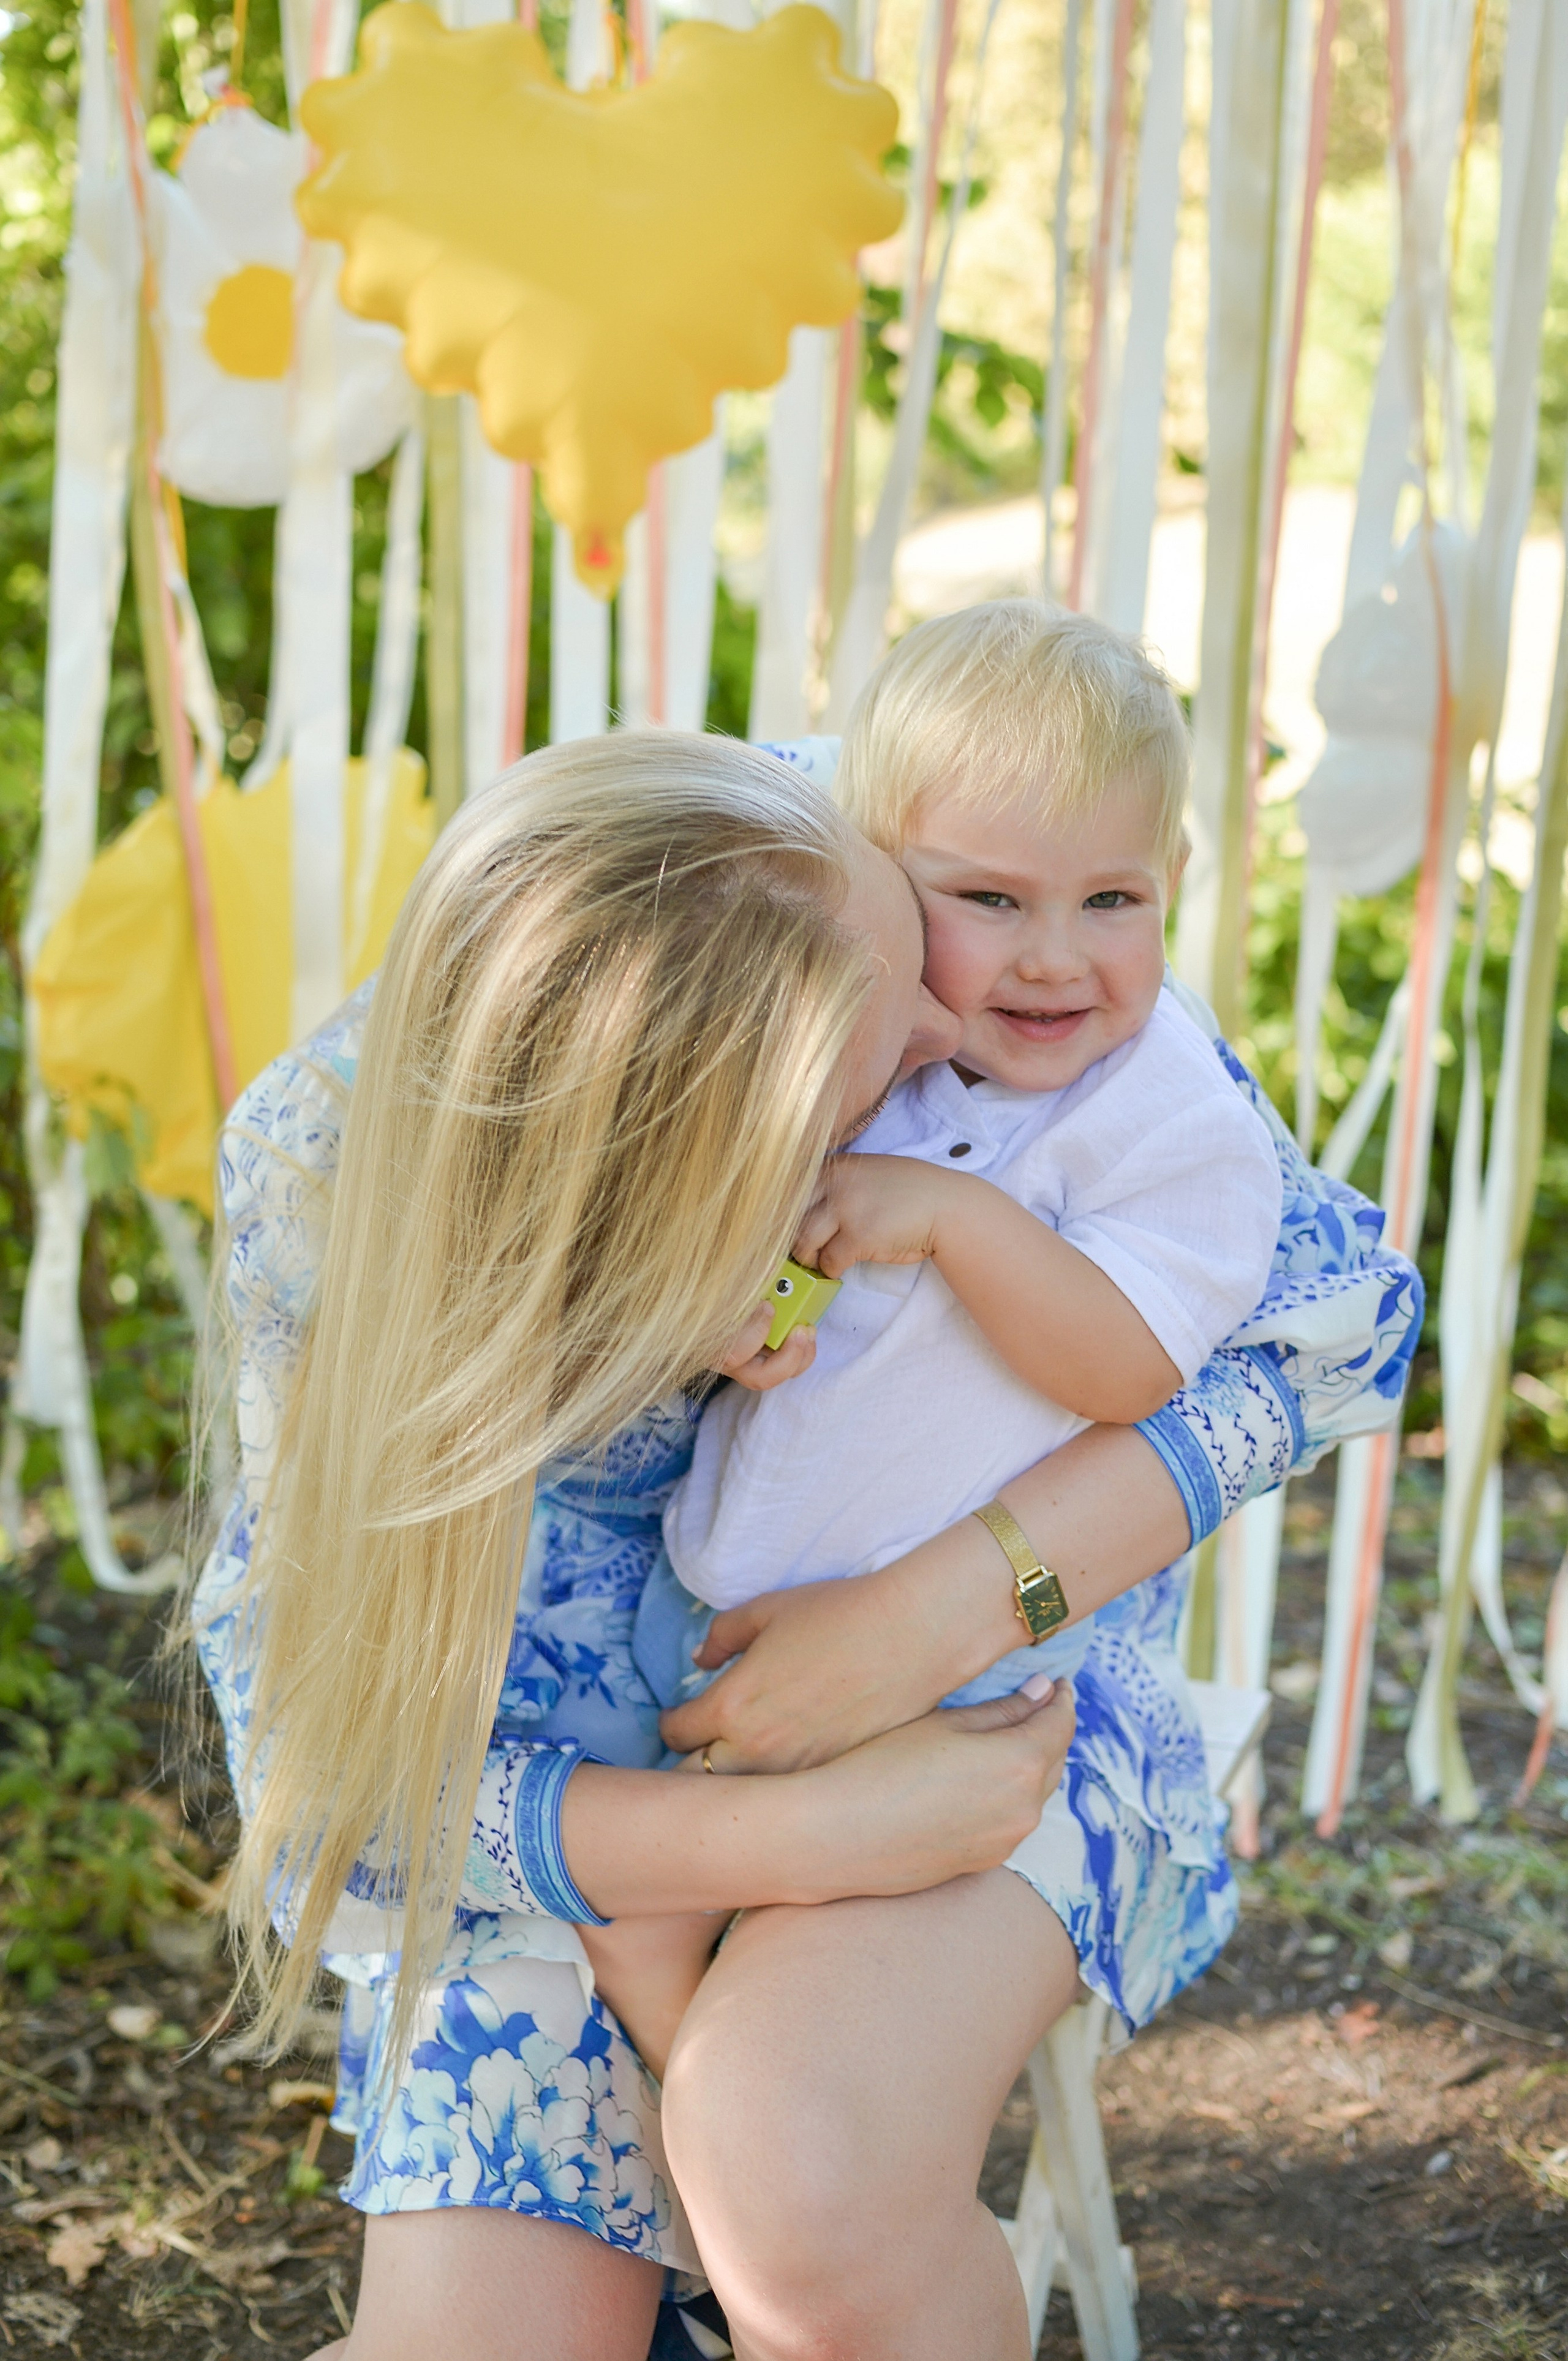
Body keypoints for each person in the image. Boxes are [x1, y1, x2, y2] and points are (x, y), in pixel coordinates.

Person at [194, 725, 1419, 2361]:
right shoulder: (329, 1181)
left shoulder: (891, 865)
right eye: (877, 1081)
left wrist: (951, 1602)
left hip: (988, 1698)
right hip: (559, 1836)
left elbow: (1344, 1327)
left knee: (807, 2202)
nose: (950, 1030)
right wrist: (805, 1839)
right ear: (689, 1184)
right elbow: (332, 1797)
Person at [589, 606, 1284, 2072]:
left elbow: (1132, 1369)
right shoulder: (863, 1046)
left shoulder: (1168, 1123)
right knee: (630, 1905)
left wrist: (957, 1221)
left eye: (1114, 899)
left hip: (955, 1668)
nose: (1055, 959)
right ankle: (693, 2173)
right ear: (883, 886)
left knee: (808, 1980)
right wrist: (726, 1307)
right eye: (987, 898)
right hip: (716, 1591)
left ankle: (745, 2167)